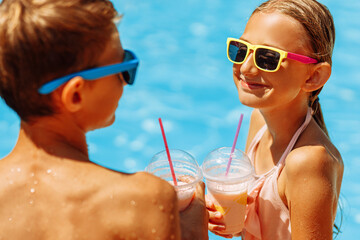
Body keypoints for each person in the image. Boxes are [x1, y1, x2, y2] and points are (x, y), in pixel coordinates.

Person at [0, 0, 208, 239]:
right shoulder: (143, 199)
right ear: (75, 95)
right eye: (124, 67)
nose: (126, 81)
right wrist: (193, 233)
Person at [206, 0, 344, 239]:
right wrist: (230, 216)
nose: (246, 68)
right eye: (241, 49)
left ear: (314, 76)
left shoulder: (307, 162)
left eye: (267, 58)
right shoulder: (258, 122)